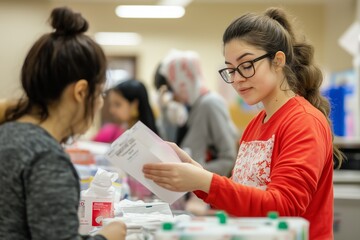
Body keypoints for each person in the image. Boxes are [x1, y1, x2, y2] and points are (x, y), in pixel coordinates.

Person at [143, 7, 344, 240]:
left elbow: (283, 208)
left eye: (246, 66)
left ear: (278, 61)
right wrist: (196, 174)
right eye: (230, 69)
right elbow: (249, 193)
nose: (237, 79)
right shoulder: (256, 123)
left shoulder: (303, 122)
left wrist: (205, 181)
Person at [0, 7, 126, 240]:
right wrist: (107, 237)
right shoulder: (46, 157)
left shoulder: (6, 134)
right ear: (80, 92)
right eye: (99, 94)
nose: (100, 104)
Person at [154, 49, 239, 177]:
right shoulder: (184, 107)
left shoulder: (210, 103)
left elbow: (229, 158)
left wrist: (194, 174)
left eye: (171, 90)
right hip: (189, 186)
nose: (171, 97)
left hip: (207, 188)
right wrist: (165, 111)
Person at [92, 79, 158, 143]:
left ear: (134, 105)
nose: (111, 110)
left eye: (117, 104)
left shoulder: (148, 140)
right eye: (111, 104)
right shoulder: (112, 131)